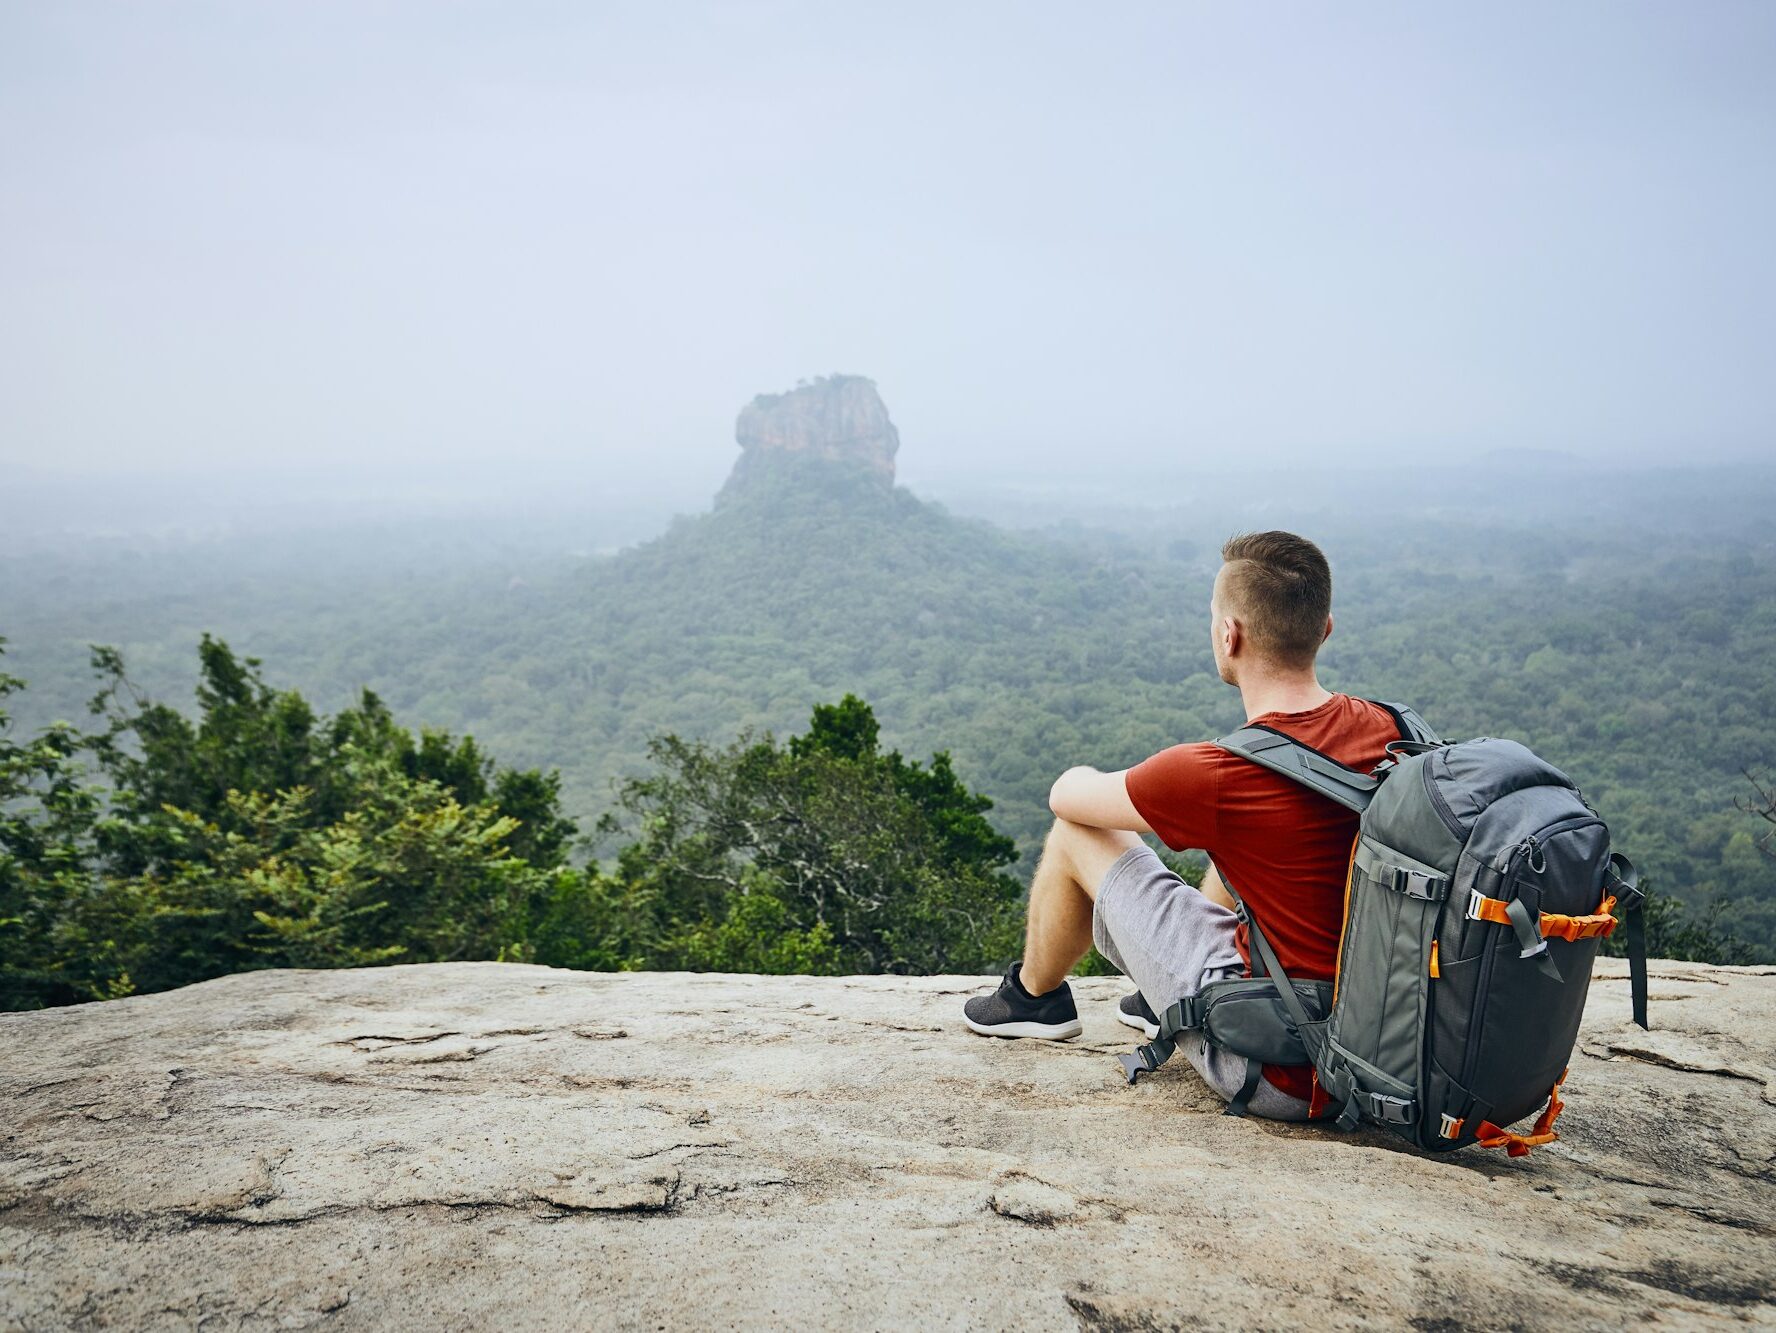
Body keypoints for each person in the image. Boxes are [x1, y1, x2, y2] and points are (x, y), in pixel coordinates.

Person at [961, 530, 1408, 1120]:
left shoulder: (1221, 773)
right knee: (1243, 845)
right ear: (1325, 629)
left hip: (1284, 1071)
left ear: (1230, 634)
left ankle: (1033, 1000)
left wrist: (1083, 772)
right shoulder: (1391, 730)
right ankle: (1158, 998)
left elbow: (1064, 797)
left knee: (1077, 834)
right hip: (1380, 1045)